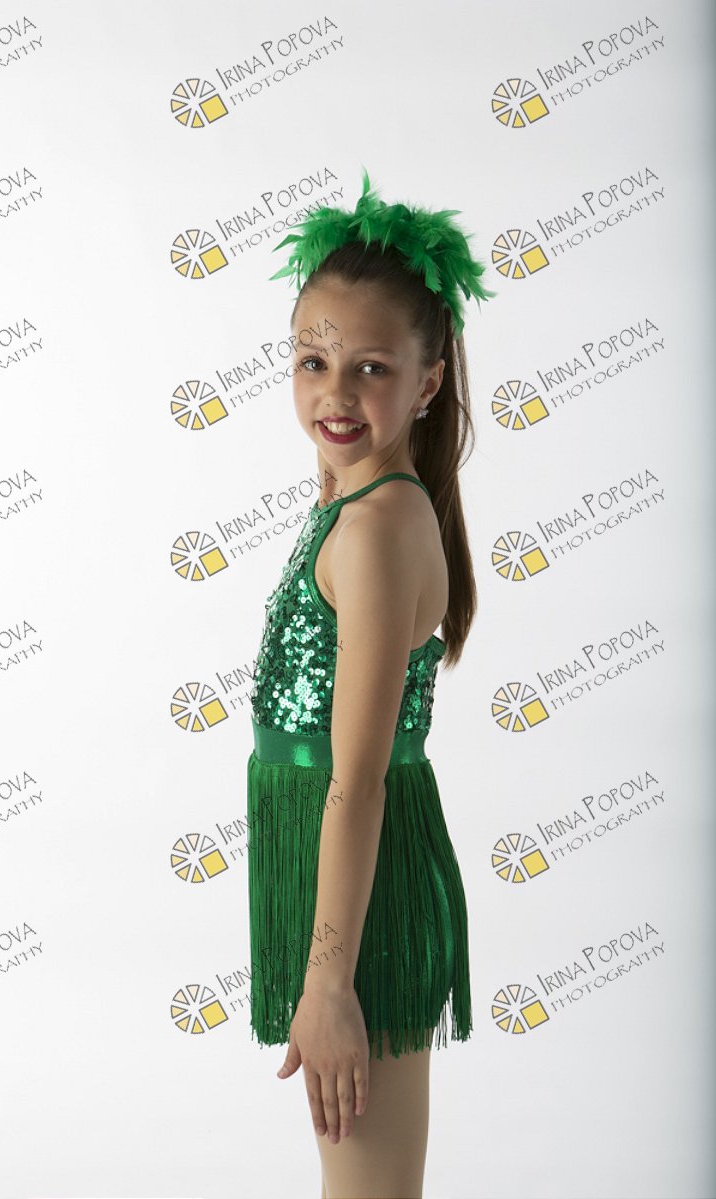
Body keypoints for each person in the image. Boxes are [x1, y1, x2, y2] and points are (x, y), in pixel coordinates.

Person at [246, 168, 496, 1199]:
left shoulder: (381, 526)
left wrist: (329, 980)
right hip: (336, 882)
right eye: (313, 362)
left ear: (428, 382)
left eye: (371, 369)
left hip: (365, 896)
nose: (334, 394)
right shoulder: (360, 505)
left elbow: (355, 782)